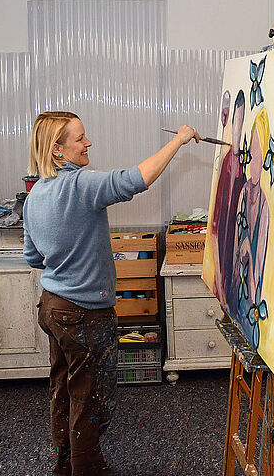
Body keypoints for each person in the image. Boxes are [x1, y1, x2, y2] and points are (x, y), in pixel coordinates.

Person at [22, 111, 200, 476]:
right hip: (85, 313)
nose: (88, 143)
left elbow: (34, 257)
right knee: (91, 399)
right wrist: (179, 140)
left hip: (53, 308)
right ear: (57, 150)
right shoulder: (81, 186)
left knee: (63, 390)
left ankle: (65, 463)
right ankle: (87, 468)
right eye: (80, 138)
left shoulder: (34, 194)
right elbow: (137, 179)